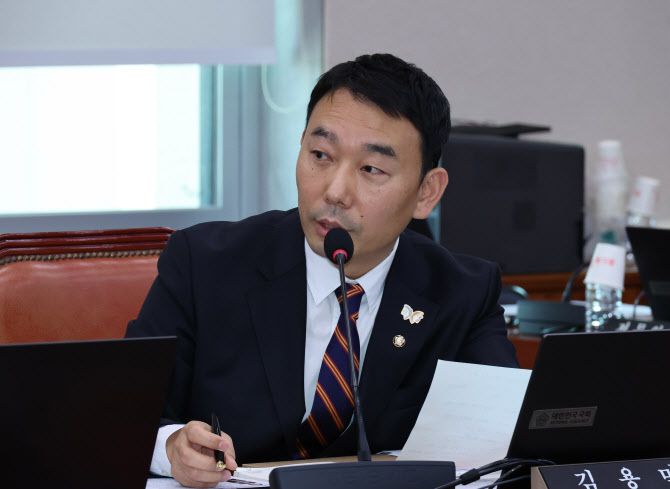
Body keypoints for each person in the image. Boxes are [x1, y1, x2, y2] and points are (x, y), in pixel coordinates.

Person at [126, 53, 518, 488]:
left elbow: (502, 445)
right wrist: (171, 448)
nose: (334, 191)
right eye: (320, 155)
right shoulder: (205, 264)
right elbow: (121, 413)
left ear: (427, 192)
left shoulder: (462, 293)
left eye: (371, 169)